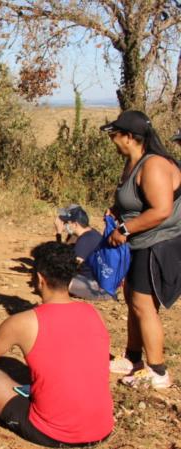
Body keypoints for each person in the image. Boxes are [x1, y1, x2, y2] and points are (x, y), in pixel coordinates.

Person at [0, 242, 113, 447]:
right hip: (102, 427)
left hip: (54, 433)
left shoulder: (24, 322)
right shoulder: (94, 314)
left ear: (40, 278)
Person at [102, 111, 181, 389]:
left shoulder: (154, 165)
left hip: (157, 245)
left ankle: (157, 370)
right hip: (140, 244)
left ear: (130, 137)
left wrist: (124, 230)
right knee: (132, 300)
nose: (112, 140)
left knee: (144, 305)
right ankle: (133, 358)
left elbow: (161, 210)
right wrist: (116, 211)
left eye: (115, 134)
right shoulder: (133, 163)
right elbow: (137, 201)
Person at [56, 205, 111, 300]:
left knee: (54, 279)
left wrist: (59, 233)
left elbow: (68, 267)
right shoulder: (91, 233)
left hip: (95, 287)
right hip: (96, 281)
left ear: (75, 224)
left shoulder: (85, 240)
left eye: (66, 223)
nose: (65, 225)